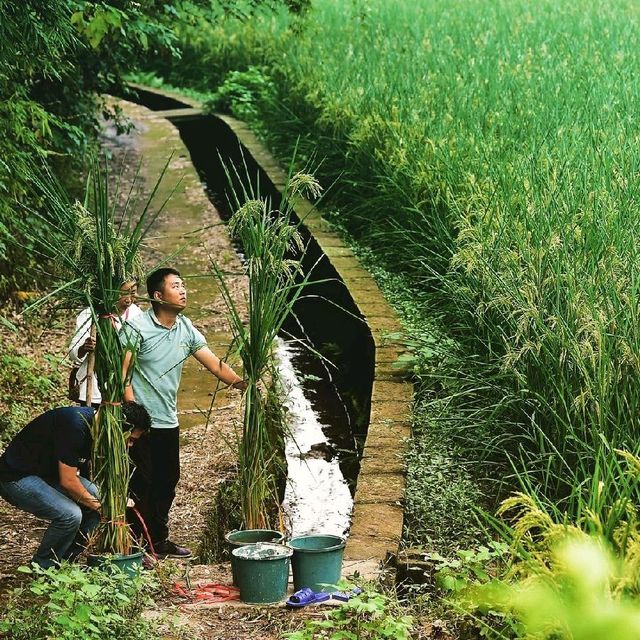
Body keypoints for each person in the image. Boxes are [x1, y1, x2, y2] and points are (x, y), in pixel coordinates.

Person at [122, 267, 246, 558]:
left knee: (168, 479)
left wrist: (243, 384)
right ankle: (135, 542)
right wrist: (134, 415)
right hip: (140, 422)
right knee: (142, 481)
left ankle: (158, 539)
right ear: (157, 295)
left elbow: (215, 365)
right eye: (175, 286)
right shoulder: (137, 328)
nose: (183, 290)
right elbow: (123, 375)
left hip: (167, 420)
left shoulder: (185, 328)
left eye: (184, 285)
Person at [0, 402, 151, 568]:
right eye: (130, 439)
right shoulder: (75, 426)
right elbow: (68, 481)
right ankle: (43, 567)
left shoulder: (103, 430)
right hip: (16, 476)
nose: (130, 445)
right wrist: (105, 508)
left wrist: (107, 503)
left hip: (49, 475)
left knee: (95, 499)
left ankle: (65, 561)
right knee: (70, 515)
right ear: (120, 427)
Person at [68, 280, 143, 406]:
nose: (129, 299)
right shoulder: (90, 313)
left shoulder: (137, 315)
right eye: (123, 293)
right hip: (94, 388)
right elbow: (73, 353)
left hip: (125, 387)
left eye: (133, 293)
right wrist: (85, 347)